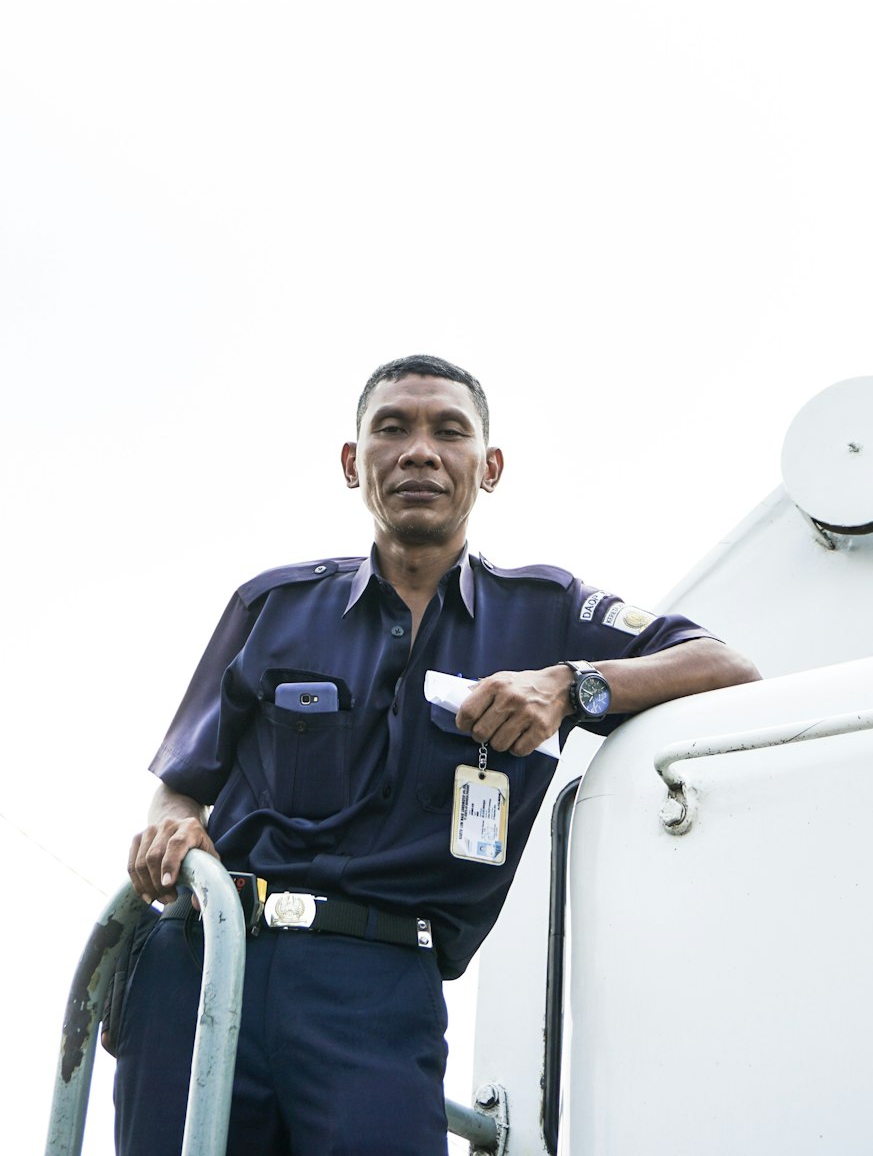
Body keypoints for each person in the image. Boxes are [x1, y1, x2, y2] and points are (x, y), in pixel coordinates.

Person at [116, 355, 759, 1156]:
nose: (419, 450)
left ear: (488, 468)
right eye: (392, 428)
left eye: (448, 431)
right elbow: (182, 786)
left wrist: (570, 684)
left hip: (380, 981)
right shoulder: (272, 606)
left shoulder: (546, 611)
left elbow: (726, 664)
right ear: (353, 463)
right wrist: (174, 830)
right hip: (207, 963)